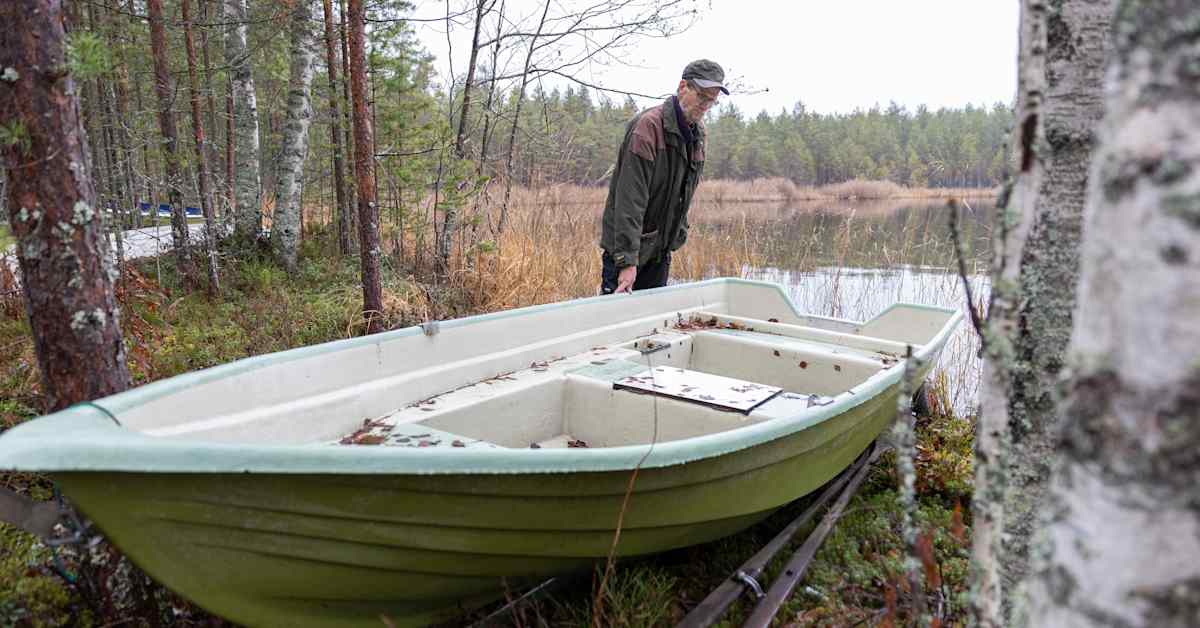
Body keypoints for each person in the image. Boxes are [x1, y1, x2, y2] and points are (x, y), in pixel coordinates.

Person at [599, 59, 727, 294]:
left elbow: (684, 192)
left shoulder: (698, 135)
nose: (706, 105)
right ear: (682, 87)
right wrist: (627, 261)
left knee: (652, 327)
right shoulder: (647, 128)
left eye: (712, 100)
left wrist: (678, 231)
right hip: (627, 253)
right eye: (701, 96)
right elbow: (629, 200)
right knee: (617, 325)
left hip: (659, 251)